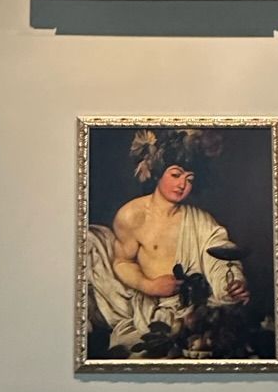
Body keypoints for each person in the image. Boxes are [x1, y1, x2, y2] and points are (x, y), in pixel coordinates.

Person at [85, 143, 249, 354]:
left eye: (189, 179)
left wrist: (233, 282)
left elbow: (220, 252)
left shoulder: (200, 220)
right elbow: (122, 262)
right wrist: (149, 285)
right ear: (157, 174)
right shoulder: (132, 215)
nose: (182, 184)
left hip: (194, 310)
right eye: (175, 175)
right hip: (150, 309)